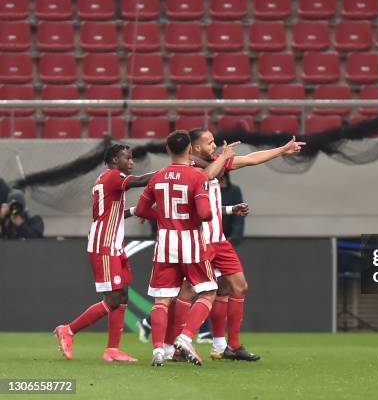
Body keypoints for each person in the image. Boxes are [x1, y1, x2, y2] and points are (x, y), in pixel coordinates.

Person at [164, 128, 304, 362]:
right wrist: (225, 157)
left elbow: (250, 159)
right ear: (195, 148)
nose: (214, 146)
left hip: (219, 240)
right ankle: (177, 345)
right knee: (188, 291)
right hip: (199, 241)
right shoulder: (189, 169)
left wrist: (282, 150)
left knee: (236, 287)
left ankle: (227, 346)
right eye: (209, 143)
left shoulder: (216, 163)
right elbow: (205, 177)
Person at [54, 144, 154, 362]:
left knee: (123, 294)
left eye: (132, 158)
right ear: (115, 160)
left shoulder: (107, 179)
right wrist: (170, 172)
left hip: (114, 245)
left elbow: (112, 212)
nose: (131, 162)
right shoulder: (113, 176)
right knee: (113, 299)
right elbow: (138, 181)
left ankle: (112, 350)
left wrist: (135, 210)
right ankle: (68, 330)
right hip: (104, 244)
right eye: (127, 158)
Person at [135, 130, 226, 367]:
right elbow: (206, 214)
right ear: (189, 150)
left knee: (161, 301)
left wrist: (164, 216)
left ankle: (158, 351)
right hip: (191, 242)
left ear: (167, 150)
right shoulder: (197, 177)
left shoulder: (157, 176)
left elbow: (142, 210)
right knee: (208, 291)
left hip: (165, 242)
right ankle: (185, 338)